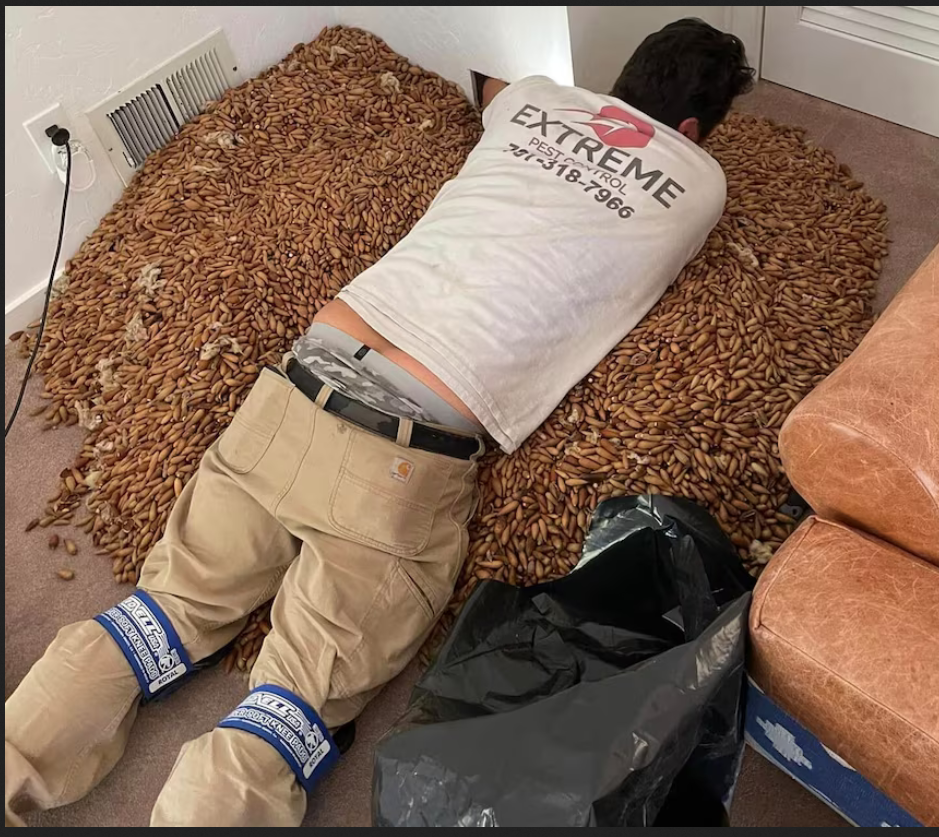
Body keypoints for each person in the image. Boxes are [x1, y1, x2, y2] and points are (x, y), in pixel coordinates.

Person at [4, 18, 753, 827]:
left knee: (156, 615)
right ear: (690, 130)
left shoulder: (537, 99)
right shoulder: (699, 181)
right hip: (403, 457)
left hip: (292, 390)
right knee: (285, 708)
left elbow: (486, 86)